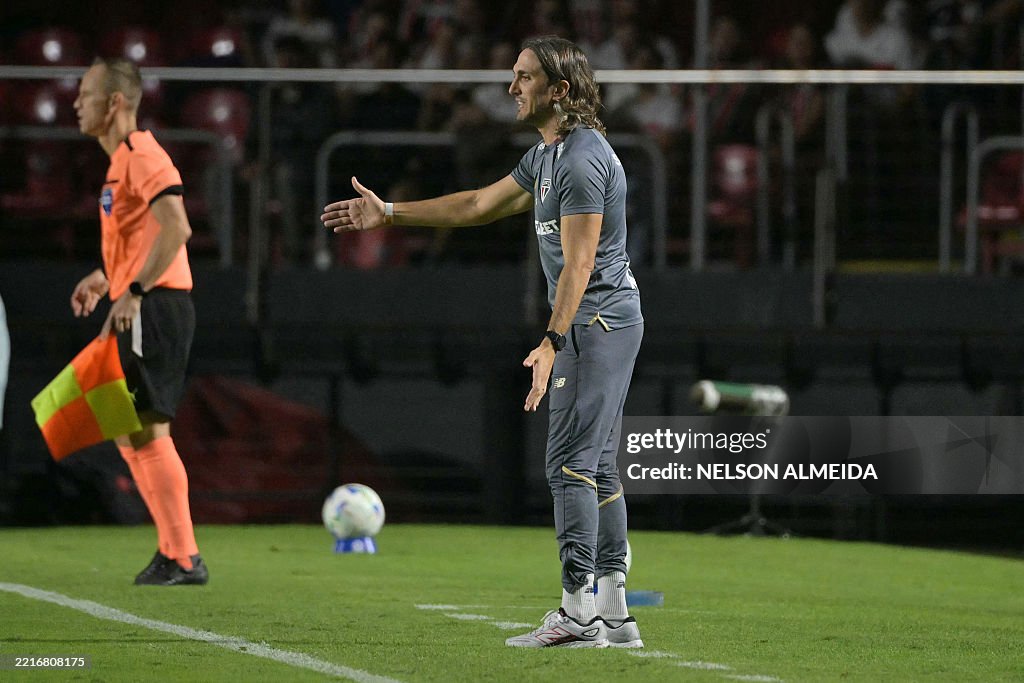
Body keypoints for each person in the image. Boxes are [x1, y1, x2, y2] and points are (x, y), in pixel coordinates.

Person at [322, 35, 644, 648]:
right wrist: (389, 212)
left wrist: (550, 341)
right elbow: (475, 204)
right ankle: (615, 612)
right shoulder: (547, 156)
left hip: (597, 322)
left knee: (569, 463)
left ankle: (579, 615)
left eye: (524, 77)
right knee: (596, 467)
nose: (511, 87)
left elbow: (577, 268)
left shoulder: (579, 160)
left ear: (561, 91)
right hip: (597, 322)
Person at [71, 57, 207, 586]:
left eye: (85, 94)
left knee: (148, 429)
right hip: (137, 301)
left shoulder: (142, 153)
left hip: (156, 305)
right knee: (122, 428)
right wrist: (105, 279)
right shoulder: (118, 163)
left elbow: (177, 228)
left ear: (115, 103)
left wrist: (132, 290)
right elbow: (144, 240)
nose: (76, 104)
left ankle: (184, 555)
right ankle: (173, 550)